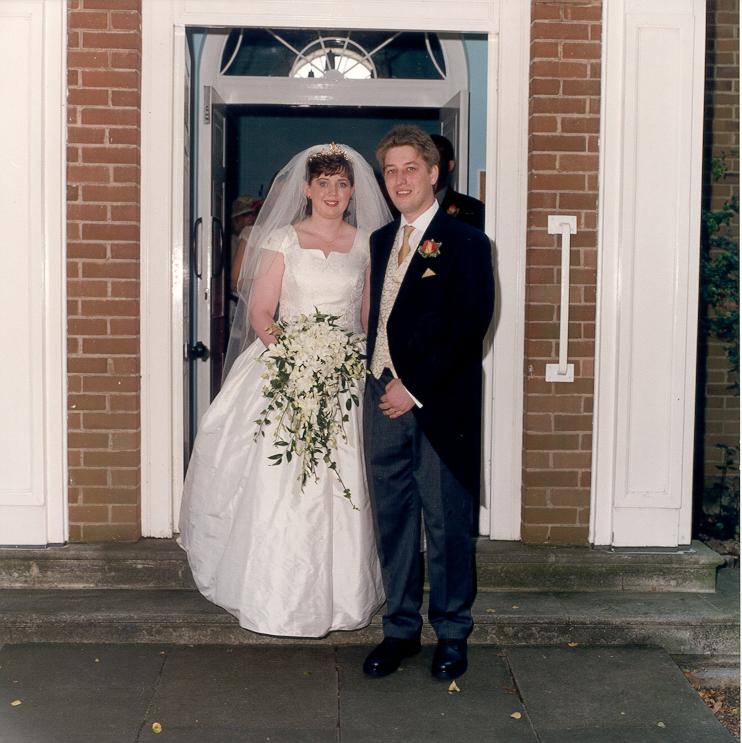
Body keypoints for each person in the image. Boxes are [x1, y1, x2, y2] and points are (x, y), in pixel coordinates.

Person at [179, 144, 391, 637]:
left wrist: (354, 361)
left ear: (353, 191)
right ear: (307, 189)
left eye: (342, 184)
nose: (333, 192)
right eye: (324, 183)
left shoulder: (367, 243)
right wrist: (295, 356)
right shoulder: (282, 239)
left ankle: (344, 596)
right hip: (285, 365)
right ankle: (272, 592)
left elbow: (366, 317)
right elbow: (260, 312)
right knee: (279, 479)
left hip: (344, 373)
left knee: (348, 480)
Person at [362, 125, 494, 680]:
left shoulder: (466, 241)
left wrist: (412, 387)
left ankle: (452, 633)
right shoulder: (379, 240)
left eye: (410, 169)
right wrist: (378, 380)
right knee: (392, 519)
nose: (399, 181)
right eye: (390, 171)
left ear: (434, 173)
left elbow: (469, 327)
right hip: (380, 397)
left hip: (436, 403)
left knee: (445, 523)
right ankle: (399, 630)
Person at [430, 133, 485, 230]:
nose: (428, 168)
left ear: (450, 165)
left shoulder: (472, 209)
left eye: (434, 162)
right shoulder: (406, 205)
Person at [229, 195, 263, 293]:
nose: (250, 218)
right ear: (235, 219)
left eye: (253, 214)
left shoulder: (256, 236)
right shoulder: (231, 241)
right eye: (245, 215)